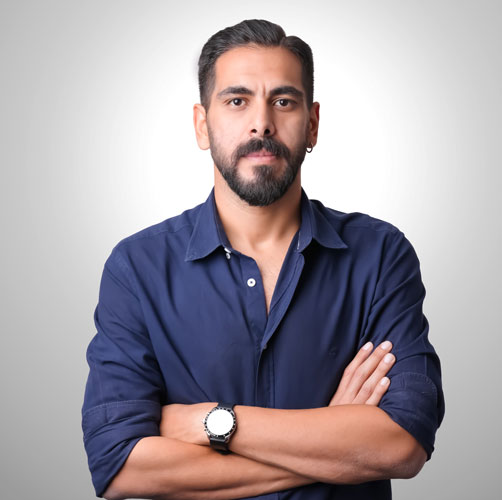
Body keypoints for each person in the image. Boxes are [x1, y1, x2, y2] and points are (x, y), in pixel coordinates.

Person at [82, 19, 444, 500]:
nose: (261, 124)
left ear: (312, 123)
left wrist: (214, 422)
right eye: (237, 101)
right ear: (202, 125)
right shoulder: (137, 268)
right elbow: (119, 467)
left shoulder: (379, 255)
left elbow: (403, 444)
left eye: (284, 101)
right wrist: (339, 447)